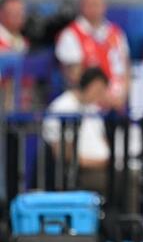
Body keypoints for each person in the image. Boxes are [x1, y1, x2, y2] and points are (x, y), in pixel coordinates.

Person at [55, 0, 131, 110]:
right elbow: (75, 77)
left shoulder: (116, 33)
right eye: (89, 4)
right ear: (82, 6)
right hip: (89, 105)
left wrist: (122, 97)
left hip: (118, 103)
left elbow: (126, 69)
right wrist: (102, 96)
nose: (93, 8)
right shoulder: (71, 35)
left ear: (104, 6)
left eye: (97, 3)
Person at [42, 67, 111, 195]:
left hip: (105, 168)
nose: (102, 96)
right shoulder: (61, 108)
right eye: (99, 90)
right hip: (81, 173)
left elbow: (103, 139)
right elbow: (61, 152)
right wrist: (97, 163)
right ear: (92, 85)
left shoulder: (93, 109)